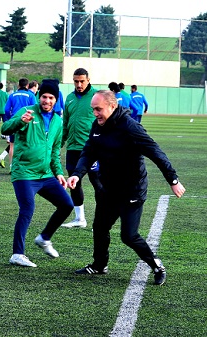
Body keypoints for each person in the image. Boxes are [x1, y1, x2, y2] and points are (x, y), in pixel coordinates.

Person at [67, 90, 186, 286]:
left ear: (112, 107)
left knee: (129, 236)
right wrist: (77, 174)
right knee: (100, 227)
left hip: (132, 189)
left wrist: (173, 180)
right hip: (108, 189)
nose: (95, 113)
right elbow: (89, 151)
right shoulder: (97, 126)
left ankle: (157, 265)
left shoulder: (130, 127)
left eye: (98, 109)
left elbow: (156, 152)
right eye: (93, 109)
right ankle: (99, 265)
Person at [0, 79, 74, 267]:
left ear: (56, 100)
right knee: (27, 209)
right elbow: (5, 128)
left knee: (66, 204)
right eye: (43, 97)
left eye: (51, 97)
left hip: (45, 174)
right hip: (24, 172)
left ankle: (44, 238)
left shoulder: (58, 121)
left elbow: (55, 150)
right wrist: (19, 121)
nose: (46, 101)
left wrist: (58, 173)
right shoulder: (28, 112)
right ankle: (17, 254)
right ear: (38, 96)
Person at [61, 68, 102, 228]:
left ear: (88, 79)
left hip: (92, 149)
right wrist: (59, 144)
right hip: (73, 147)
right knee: (73, 183)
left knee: (97, 183)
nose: (79, 84)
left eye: (82, 81)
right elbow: (65, 124)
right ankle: (80, 219)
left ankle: (101, 220)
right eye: (76, 81)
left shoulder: (97, 96)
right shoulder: (70, 98)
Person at [0, 78, 36, 169]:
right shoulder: (31, 95)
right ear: (27, 86)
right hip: (27, 122)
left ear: (18, 86)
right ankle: (26, 166)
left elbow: (6, 110)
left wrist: (10, 120)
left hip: (15, 122)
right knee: (28, 143)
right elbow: (35, 109)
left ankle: (11, 167)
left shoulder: (12, 95)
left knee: (12, 145)